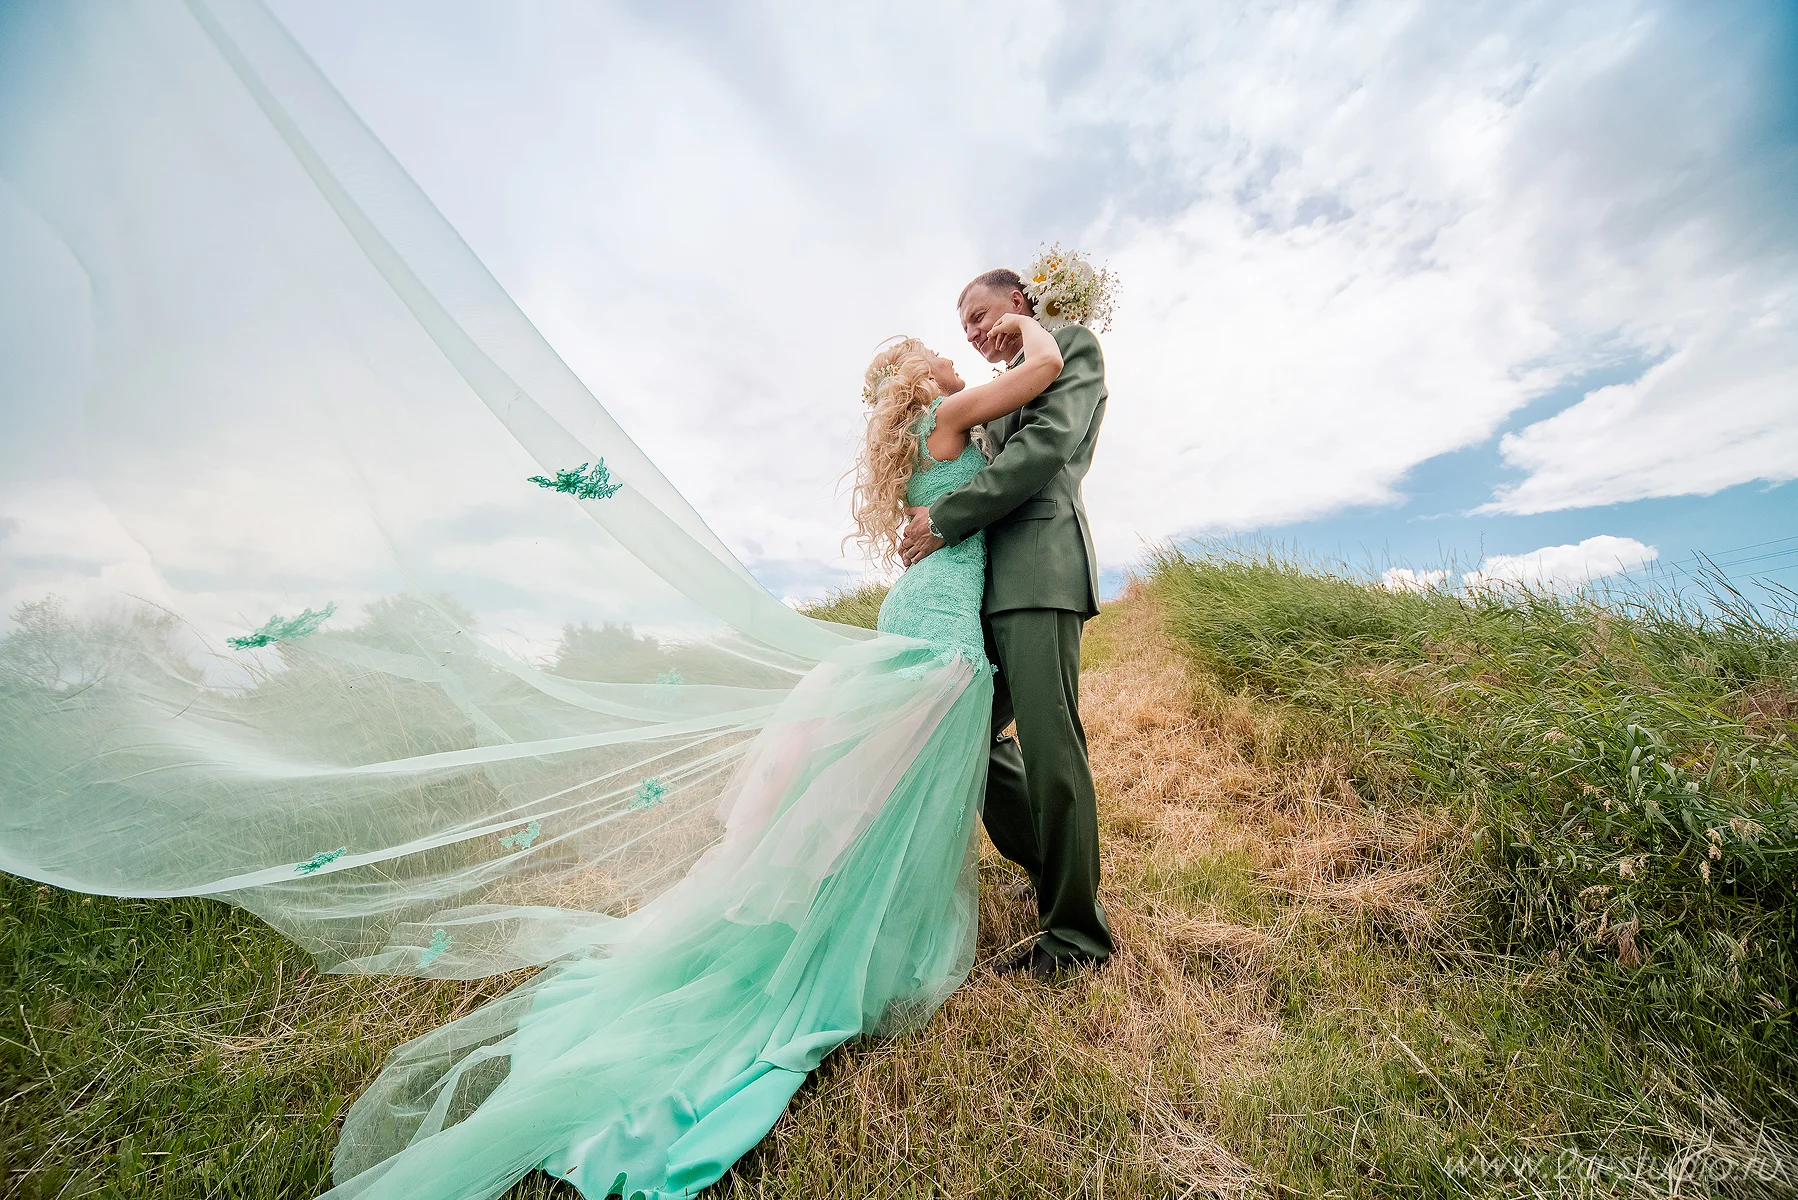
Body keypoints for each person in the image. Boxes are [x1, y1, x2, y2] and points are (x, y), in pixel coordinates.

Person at [896, 269, 1117, 978]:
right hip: (982, 594)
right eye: (963, 326)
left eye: (982, 314)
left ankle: (1076, 939)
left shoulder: (1072, 347)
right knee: (964, 738)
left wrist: (948, 520)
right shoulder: (988, 398)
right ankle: (1055, 870)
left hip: (1040, 573)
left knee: (1053, 751)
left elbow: (1043, 449)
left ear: (1019, 304)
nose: (973, 331)